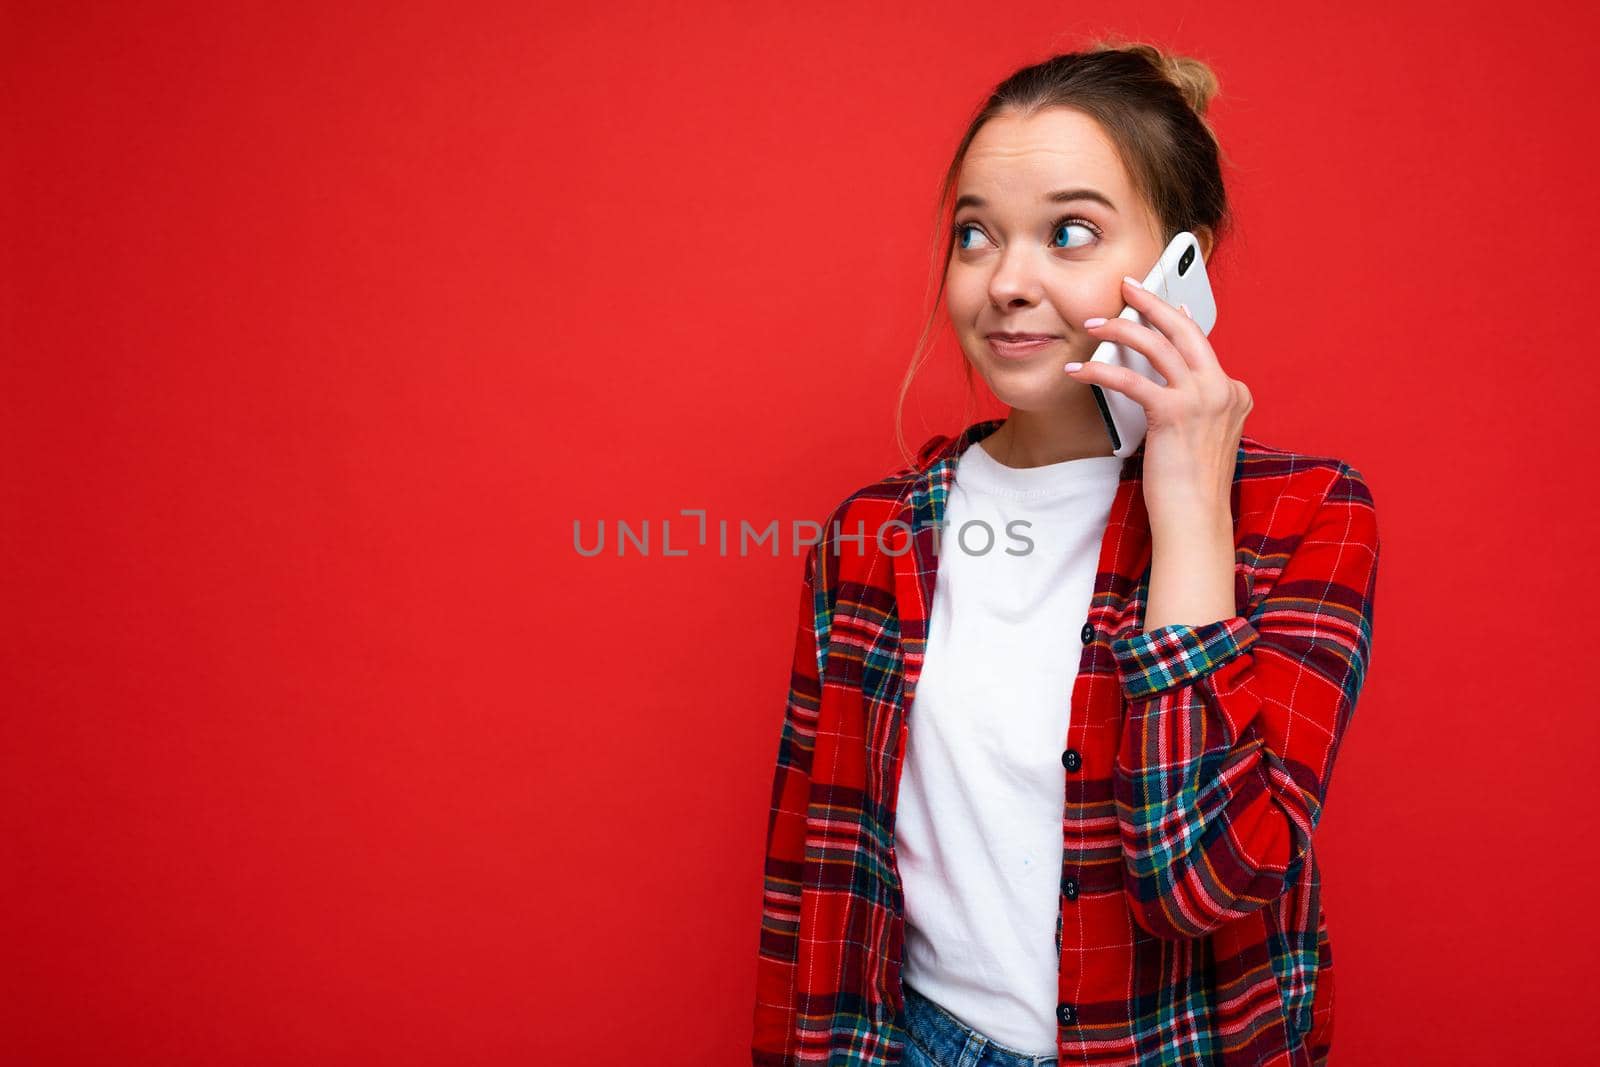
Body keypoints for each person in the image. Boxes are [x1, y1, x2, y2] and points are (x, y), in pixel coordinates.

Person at [751, 39, 1379, 1067]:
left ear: (1187, 261)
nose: (1006, 281)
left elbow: (1203, 882)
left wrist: (1185, 508)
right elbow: (811, 883)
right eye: (974, 235)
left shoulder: (1302, 515)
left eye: (1069, 231)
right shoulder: (870, 536)